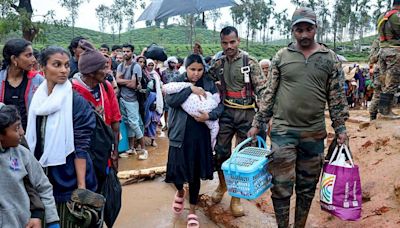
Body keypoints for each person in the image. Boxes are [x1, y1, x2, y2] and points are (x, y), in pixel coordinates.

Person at [247, 8, 349, 228]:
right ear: (293, 30)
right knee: (281, 185)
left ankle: (299, 225)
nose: (304, 34)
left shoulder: (329, 59)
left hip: (314, 134)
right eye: (299, 29)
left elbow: (337, 98)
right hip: (283, 133)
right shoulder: (281, 57)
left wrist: (340, 128)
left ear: (316, 28)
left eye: (308, 29)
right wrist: (258, 123)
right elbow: (269, 93)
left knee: (307, 186)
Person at [25, 46, 102, 226]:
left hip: (68, 176)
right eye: (57, 65)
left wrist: (81, 188)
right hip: (43, 174)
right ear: (43, 68)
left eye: (67, 65)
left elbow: (81, 146)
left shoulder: (76, 102)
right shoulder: (37, 99)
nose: (63, 70)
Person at [208, 26, 266, 217]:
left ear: (238, 41)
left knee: (242, 159)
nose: (229, 46)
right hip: (226, 112)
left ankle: (236, 198)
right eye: (225, 43)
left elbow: (263, 92)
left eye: (232, 42)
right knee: (220, 153)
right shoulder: (219, 64)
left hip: (247, 113)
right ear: (221, 43)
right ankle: (222, 186)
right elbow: (206, 79)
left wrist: (261, 120)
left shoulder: (250, 62)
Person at [165, 54, 223, 228]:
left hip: (200, 135)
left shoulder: (209, 83)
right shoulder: (177, 80)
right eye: (192, 69)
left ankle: (192, 210)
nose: (196, 74)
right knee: (176, 172)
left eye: (199, 70)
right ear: (186, 68)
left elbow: (220, 105)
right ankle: (181, 192)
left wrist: (209, 115)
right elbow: (171, 101)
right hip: (179, 134)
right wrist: (190, 89)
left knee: (195, 174)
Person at [0, 103, 60, 228]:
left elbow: (43, 186)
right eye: (16, 129)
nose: (22, 132)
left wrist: (52, 220)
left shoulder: (22, 154)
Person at [71, 40, 121, 175]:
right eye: (103, 68)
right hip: (82, 155)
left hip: (104, 152)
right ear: (91, 72)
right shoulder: (72, 91)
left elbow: (115, 121)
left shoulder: (106, 86)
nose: (107, 72)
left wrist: (115, 152)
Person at [0, 38, 44, 131]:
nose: (34, 60)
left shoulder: (38, 80)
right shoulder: (0, 79)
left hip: (30, 134)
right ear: (14, 59)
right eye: (28, 55)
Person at [116, 43, 148, 159]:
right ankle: (131, 148)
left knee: (134, 123)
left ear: (132, 52)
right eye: (124, 51)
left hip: (132, 99)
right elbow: (117, 80)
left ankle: (144, 150)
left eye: (128, 51)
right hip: (123, 98)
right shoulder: (120, 66)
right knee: (127, 122)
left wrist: (122, 80)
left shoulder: (136, 66)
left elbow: (134, 84)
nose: (125, 53)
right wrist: (127, 81)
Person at [376, 0, 400, 118]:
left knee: (384, 81)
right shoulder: (397, 16)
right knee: (392, 81)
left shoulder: (383, 16)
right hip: (394, 51)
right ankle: (386, 112)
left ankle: (382, 111)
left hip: (382, 50)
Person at [144, 59, 163, 147]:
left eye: (152, 65)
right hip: (145, 99)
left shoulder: (155, 75)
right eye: (149, 65)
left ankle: (152, 140)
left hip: (154, 98)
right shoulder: (143, 74)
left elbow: (159, 88)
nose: (150, 67)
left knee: (153, 120)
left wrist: (155, 101)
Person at [161, 56, 180, 131]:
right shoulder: (164, 72)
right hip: (167, 93)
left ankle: (173, 125)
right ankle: (166, 124)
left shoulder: (177, 72)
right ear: (168, 63)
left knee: (175, 110)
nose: (173, 64)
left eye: (174, 63)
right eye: (171, 63)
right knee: (166, 110)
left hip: (175, 93)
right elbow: (163, 82)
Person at [368, 39, 383, 120]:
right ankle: (373, 116)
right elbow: (372, 59)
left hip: (388, 71)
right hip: (380, 71)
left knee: (389, 94)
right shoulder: (378, 41)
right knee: (378, 94)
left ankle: (382, 115)